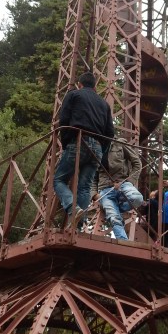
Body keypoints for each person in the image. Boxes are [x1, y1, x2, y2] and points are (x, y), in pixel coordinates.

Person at [54, 71, 114, 222]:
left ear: (79, 85)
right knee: (85, 187)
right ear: (95, 87)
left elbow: (64, 120)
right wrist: (102, 150)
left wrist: (67, 142)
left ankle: (73, 210)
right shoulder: (104, 104)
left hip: (78, 141)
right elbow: (110, 133)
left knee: (58, 180)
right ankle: (79, 227)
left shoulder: (74, 95)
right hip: (98, 148)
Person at [97, 136, 144, 240]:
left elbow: (137, 163)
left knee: (137, 199)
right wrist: (94, 195)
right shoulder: (94, 146)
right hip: (105, 189)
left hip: (123, 183)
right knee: (114, 218)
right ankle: (124, 243)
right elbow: (91, 175)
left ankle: (116, 208)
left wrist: (129, 181)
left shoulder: (119, 144)